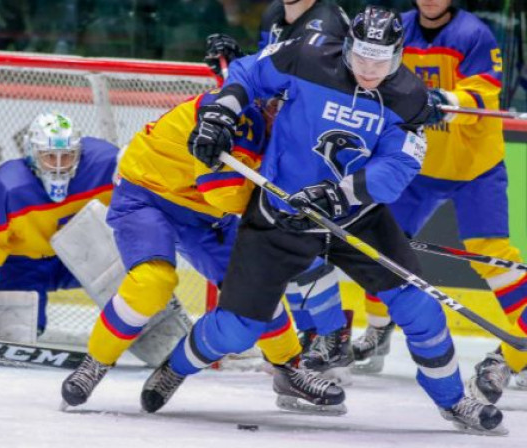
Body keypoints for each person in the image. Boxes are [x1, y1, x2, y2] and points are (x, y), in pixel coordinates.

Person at [141, 6, 507, 435]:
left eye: (382, 60)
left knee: (420, 308)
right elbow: (248, 71)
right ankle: (176, 367)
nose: (370, 70)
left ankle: (454, 401)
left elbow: (396, 169)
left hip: (357, 217)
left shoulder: (408, 97)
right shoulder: (308, 54)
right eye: (362, 57)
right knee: (236, 332)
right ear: (348, 46)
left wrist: (339, 194)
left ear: (398, 55)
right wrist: (222, 110)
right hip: (281, 211)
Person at [60, 83, 346, 415]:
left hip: (206, 214)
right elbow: (223, 194)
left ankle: (287, 367)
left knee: (257, 290)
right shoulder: (235, 116)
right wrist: (284, 208)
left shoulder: (284, 131)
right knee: (152, 282)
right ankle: (95, 364)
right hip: (148, 193)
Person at [350, 0, 527, 406]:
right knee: (382, 249)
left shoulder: (473, 35)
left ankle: (522, 346)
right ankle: (377, 330)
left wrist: (443, 99)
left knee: (492, 255)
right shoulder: (397, 30)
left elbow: (485, 97)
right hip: (417, 166)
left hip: (475, 168)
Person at [204, 0, 355, 381]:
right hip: (280, 143)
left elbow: (325, 87)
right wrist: (238, 64)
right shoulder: (274, 15)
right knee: (281, 244)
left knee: (298, 241)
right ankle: (316, 334)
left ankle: (332, 332)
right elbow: (269, 69)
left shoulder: (329, 20)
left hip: (315, 145)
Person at [0, 113, 118, 334]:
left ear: (79, 153)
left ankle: (148, 324)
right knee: (15, 332)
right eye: (50, 157)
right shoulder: (7, 186)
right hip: (25, 264)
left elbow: (139, 204)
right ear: (33, 154)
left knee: (126, 269)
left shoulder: (105, 166)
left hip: (86, 255)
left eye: (67, 156)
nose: (58, 166)